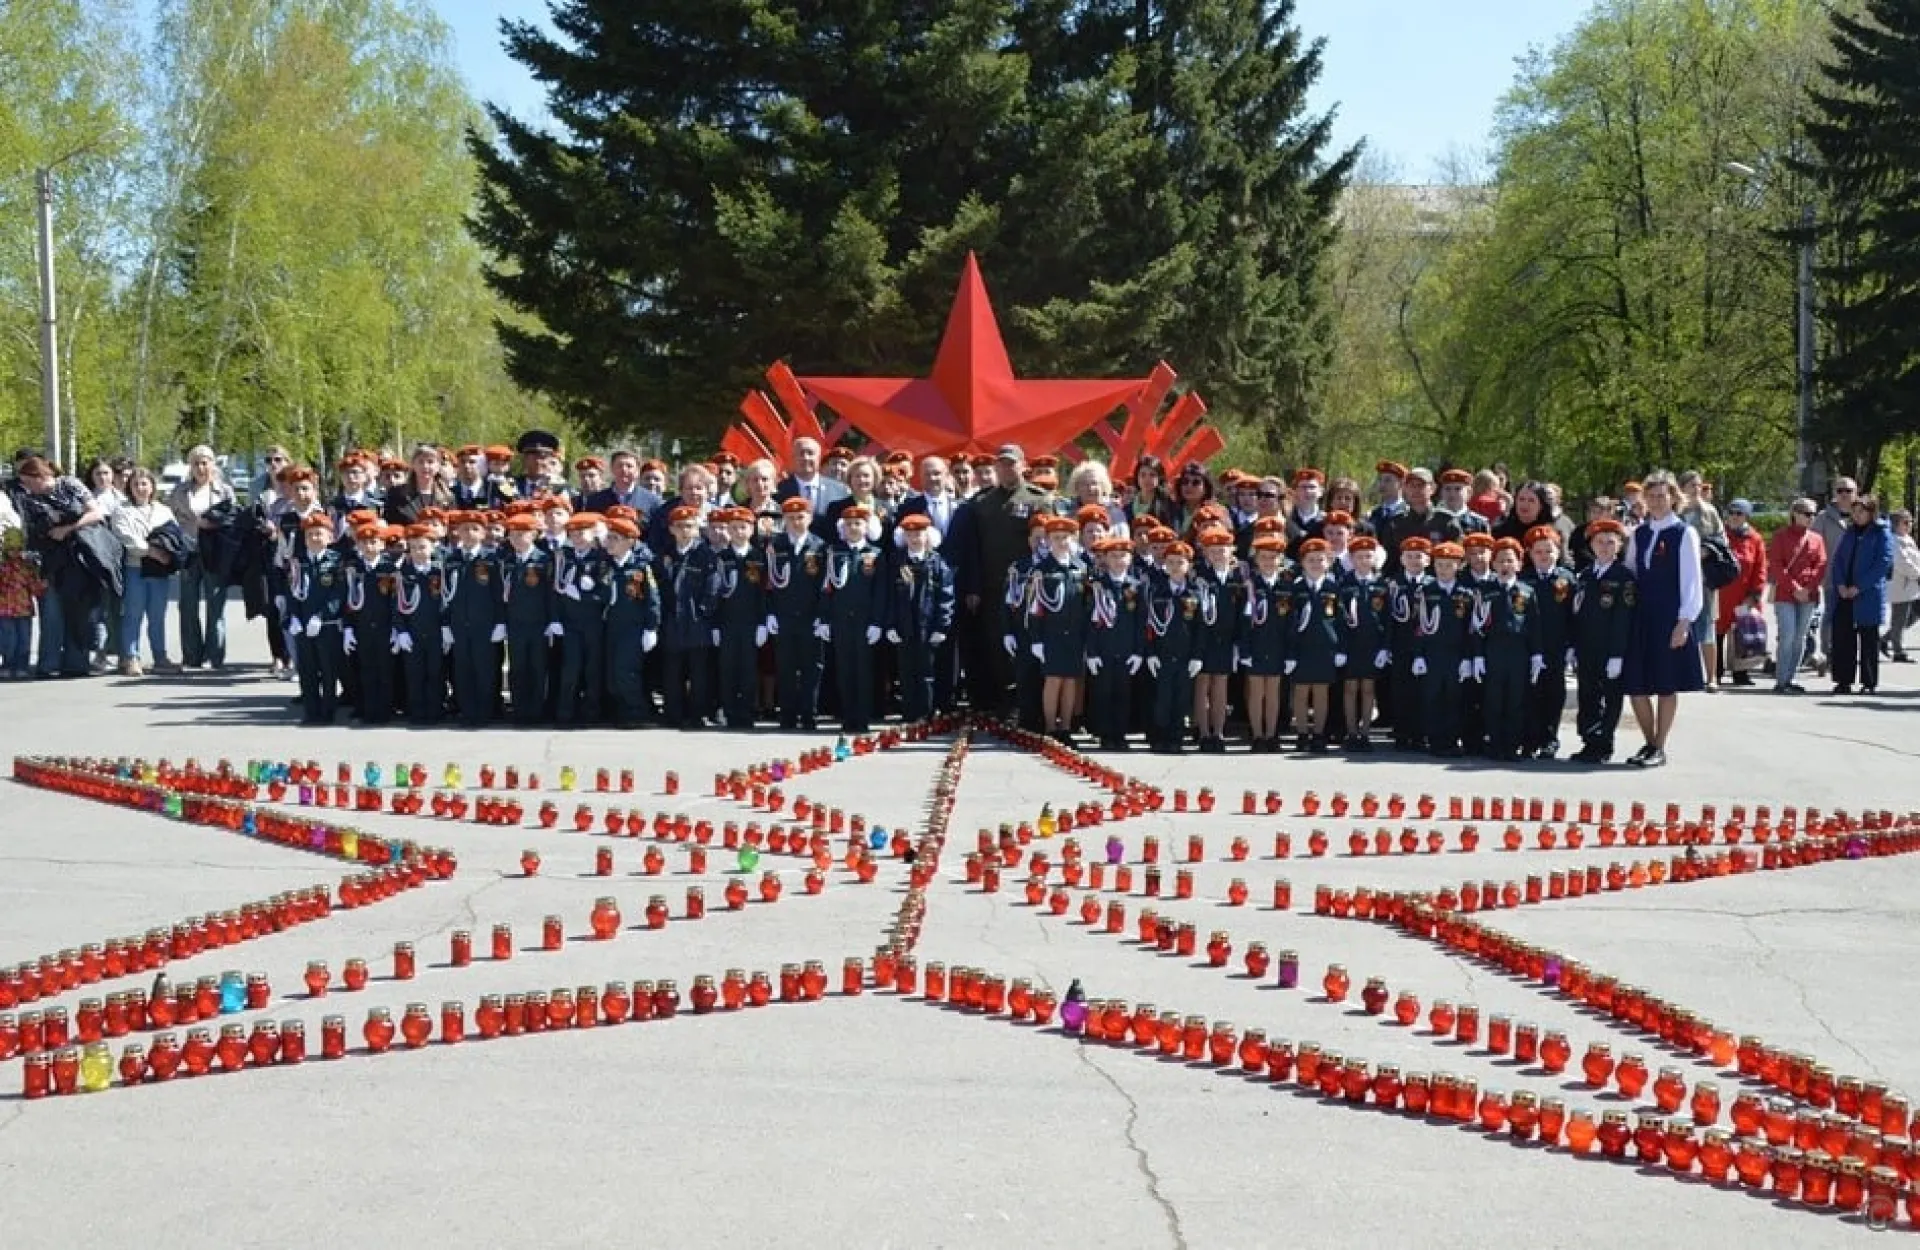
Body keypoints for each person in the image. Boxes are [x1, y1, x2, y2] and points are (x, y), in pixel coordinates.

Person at [1620, 471, 1704, 768]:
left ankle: (1660, 745)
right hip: (1641, 616)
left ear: (1673, 498)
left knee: (1666, 683)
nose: (1656, 501)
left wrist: (1685, 621)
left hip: (1670, 615)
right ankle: (1649, 742)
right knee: (1636, 685)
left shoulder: (1683, 533)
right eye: (1651, 496)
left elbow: (1691, 580)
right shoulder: (1640, 534)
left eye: (1662, 496)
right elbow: (1631, 571)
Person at [167, 445, 236, 670]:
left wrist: (212, 524)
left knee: (215, 605)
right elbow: (170, 519)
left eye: (205, 463)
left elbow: (233, 519)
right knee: (187, 605)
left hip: (214, 552)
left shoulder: (224, 491)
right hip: (188, 552)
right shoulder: (180, 492)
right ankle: (191, 655)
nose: (200, 467)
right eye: (196, 463)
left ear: (212, 465)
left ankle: (214, 656)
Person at [109, 467, 181, 675]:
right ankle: (130, 657)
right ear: (129, 488)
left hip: (159, 570)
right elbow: (125, 536)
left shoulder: (163, 510)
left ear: (152, 487)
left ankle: (160, 657)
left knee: (157, 616)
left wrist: (168, 554)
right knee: (133, 614)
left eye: (144, 484)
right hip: (135, 567)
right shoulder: (122, 510)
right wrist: (151, 551)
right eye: (136, 484)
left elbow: (174, 534)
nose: (140, 488)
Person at [889, 514, 955, 722]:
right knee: (906, 672)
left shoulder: (938, 563)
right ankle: (908, 715)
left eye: (918, 534)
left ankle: (925, 715)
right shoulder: (896, 562)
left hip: (927, 626)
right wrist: (890, 625)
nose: (914, 539)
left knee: (926, 673)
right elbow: (888, 595)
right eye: (909, 535)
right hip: (903, 626)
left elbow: (946, 596)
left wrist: (942, 626)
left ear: (927, 536)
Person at [1829, 492, 1894, 696]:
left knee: (1868, 640)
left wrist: (1859, 587)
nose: (1856, 515)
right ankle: (1843, 680)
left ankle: (1869, 682)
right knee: (1843, 638)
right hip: (1844, 593)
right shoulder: (1849, 532)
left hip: (1867, 594)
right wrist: (1840, 584)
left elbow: (1882, 564)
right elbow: (1838, 560)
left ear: (1871, 513)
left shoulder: (1881, 533)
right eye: (1854, 512)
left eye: (1861, 512)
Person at [1767, 498, 1827, 694]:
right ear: (1795, 514)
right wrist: (1795, 588)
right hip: (1786, 594)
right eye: (1807, 514)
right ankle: (1781, 680)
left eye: (1813, 514)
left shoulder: (1816, 539)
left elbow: (1821, 565)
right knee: (1787, 635)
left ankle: (1791, 678)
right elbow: (1776, 565)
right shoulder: (1780, 536)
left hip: (1809, 595)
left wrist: (1809, 588)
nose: (1811, 518)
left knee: (1800, 637)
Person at [1713, 499, 1768, 686]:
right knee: (1717, 633)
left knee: (1743, 633)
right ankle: (1716, 672)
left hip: (1744, 595)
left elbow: (1760, 568)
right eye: (1732, 513)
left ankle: (1741, 673)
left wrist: (1755, 594)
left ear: (1747, 516)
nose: (1734, 517)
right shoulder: (1720, 535)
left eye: (1739, 513)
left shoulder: (1755, 538)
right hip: (1721, 593)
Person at [1808, 477, 1854, 672]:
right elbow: (1812, 545)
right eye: (1840, 490)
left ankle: (1849, 653)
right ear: (1835, 493)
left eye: (1848, 491)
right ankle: (1828, 653)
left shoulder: (1861, 514)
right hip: (1832, 577)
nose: (1844, 494)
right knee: (1832, 616)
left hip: (1857, 578)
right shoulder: (1823, 517)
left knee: (1854, 618)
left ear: (1855, 493)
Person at [0, 526, 44, 680]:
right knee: (8, 640)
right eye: (11, 549)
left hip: (24, 610)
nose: (15, 552)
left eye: (18, 548)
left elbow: (34, 586)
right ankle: (7, 664)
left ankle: (21, 666)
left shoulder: (27, 567)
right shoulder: (2, 567)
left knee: (24, 640)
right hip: (5, 610)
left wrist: (41, 585)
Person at [775, 437, 850, 513]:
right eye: (801, 453)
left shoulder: (839, 490)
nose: (806, 458)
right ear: (793, 457)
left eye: (810, 453)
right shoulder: (779, 490)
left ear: (819, 457)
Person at [1887, 510, 1920, 664]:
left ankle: (1885, 639)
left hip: (1911, 586)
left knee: (1910, 617)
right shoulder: (1894, 541)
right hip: (1901, 585)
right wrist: (1917, 575)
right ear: (1895, 525)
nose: (1909, 525)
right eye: (1905, 522)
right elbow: (1902, 562)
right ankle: (1898, 651)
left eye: (1911, 522)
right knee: (1900, 618)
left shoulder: (1908, 539)